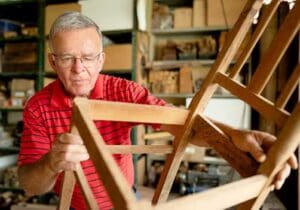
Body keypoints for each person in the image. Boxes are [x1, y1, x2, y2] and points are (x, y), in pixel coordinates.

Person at [17, 12, 298, 210]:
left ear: (101, 59)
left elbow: (179, 124)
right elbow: (30, 186)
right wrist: (52, 162)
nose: (79, 69)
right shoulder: (38, 107)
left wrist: (234, 134)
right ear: (53, 62)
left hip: (125, 199)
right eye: (67, 58)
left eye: (89, 57)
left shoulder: (123, 92)